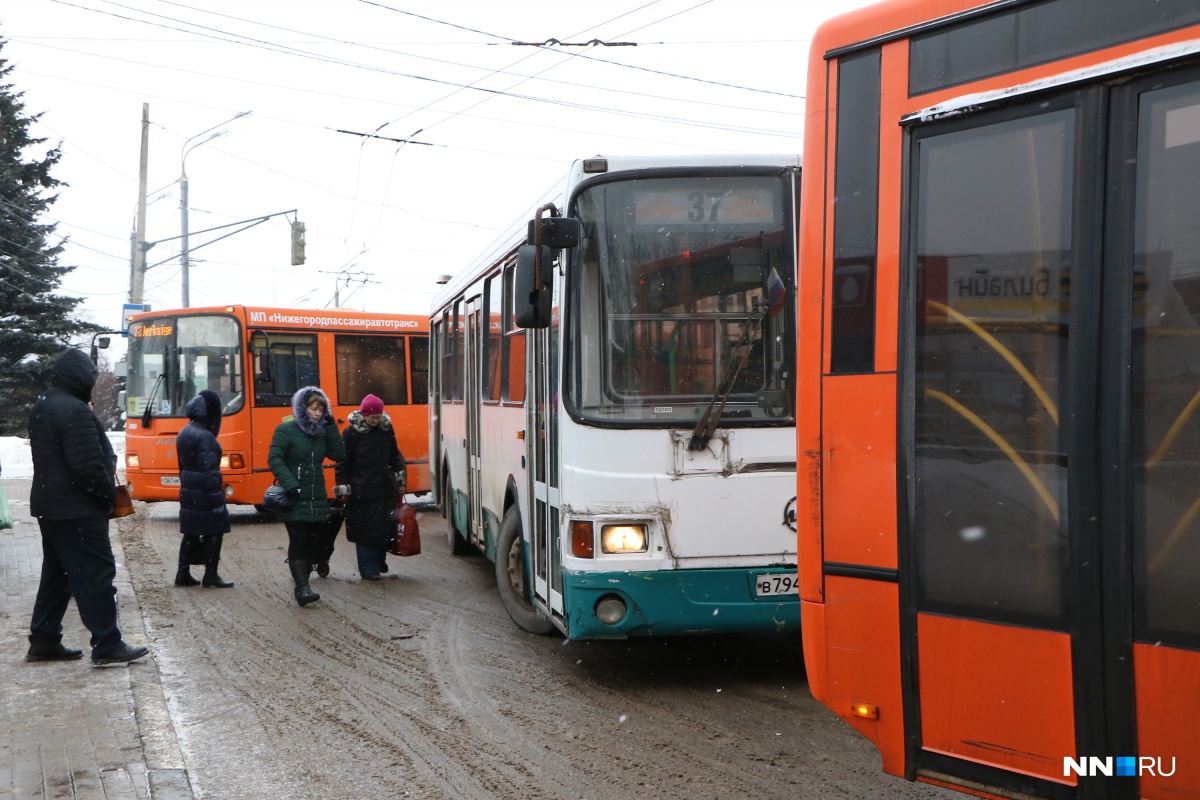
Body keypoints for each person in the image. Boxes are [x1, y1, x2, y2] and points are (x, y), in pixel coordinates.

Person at [26, 348, 148, 664]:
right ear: (79, 379)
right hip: (77, 509)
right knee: (96, 574)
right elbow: (89, 468)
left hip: (50, 506)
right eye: (90, 379)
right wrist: (109, 496)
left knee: (58, 573)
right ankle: (107, 645)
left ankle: (44, 638)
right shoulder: (75, 411)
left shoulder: (43, 405)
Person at [267, 386, 345, 606]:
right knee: (299, 540)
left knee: (313, 542)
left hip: (316, 495)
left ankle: (304, 582)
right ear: (303, 408)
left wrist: (331, 428)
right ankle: (302, 588)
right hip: (294, 496)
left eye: (321, 409)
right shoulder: (286, 429)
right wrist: (290, 483)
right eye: (314, 409)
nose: (318, 413)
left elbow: (339, 454)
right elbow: (274, 458)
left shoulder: (322, 433)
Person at [335, 394, 406, 581]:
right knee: (365, 532)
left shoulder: (386, 429)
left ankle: (378, 562)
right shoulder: (350, 434)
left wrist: (400, 481)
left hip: (384, 489)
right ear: (364, 415)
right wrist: (343, 487)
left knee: (384, 530)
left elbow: (394, 457)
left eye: (378, 417)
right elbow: (343, 462)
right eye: (372, 417)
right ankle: (369, 569)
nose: (375, 421)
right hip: (361, 491)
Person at [174, 389, 233, 588]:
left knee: (191, 530)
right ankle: (211, 574)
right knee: (216, 529)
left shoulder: (185, 431)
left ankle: (182, 572)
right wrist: (217, 500)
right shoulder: (205, 436)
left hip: (190, 489)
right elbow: (210, 472)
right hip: (204, 491)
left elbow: (182, 465)